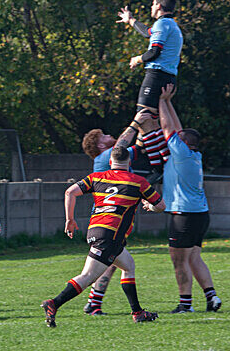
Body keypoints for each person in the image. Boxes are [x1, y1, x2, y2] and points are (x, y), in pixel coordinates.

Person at [41, 147, 164, 327]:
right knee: (88, 276)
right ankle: (54, 303)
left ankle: (138, 312)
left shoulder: (97, 177)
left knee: (128, 266)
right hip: (110, 235)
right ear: (129, 163)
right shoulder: (138, 182)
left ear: (110, 162)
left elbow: (70, 192)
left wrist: (70, 220)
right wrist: (149, 206)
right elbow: (161, 206)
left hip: (96, 230)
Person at [79, 111, 152, 315]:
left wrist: (144, 126)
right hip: (108, 220)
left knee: (112, 263)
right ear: (100, 146)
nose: (108, 135)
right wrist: (136, 121)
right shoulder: (104, 157)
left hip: (115, 219)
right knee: (105, 265)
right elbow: (122, 142)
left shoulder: (117, 156)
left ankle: (94, 302)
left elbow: (138, 147)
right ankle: (82, 302)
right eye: (103, 136)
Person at [158, 84, 222, 313]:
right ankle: (212, 297)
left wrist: (159, 101)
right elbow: (178, 130)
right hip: (200, 214)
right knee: (194, 258)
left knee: (179, 260)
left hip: (183, 215)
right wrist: (168, 102)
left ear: (182, 143)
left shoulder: (182, 153)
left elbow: (168, 127)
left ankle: (185, 305)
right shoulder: (193, 154)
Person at [117, 0, 182, 173]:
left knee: (144, 120)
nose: (151, 7)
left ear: (159, 6)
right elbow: (148, 33)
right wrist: (130, 20)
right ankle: (163, 162)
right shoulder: (171, 25)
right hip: (166, 77)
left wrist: (137, 59)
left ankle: (159, 166)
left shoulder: (162, 24)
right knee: (151, 124)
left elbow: (154, 52)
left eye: (153, 4)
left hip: (156, 76)